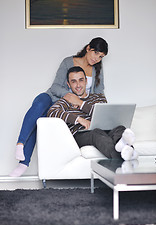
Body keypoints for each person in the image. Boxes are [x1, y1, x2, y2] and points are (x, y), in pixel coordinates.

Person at [10, 37, 108, 177]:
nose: (97, 59)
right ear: (88, 48)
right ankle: (20, 144)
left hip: (68, 107)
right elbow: (55, 86)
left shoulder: (97, 68)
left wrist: (100, 109)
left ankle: (23, 163)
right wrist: (69, 96)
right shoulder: (68, 62)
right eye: (95, 53)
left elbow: (99, 92)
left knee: (40, 122)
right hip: (53, 98)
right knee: (38, 105)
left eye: (101, 56)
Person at [47, 66, 138, 161]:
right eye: (73, 81)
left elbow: (105, 116)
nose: (78, 85)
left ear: (86, 81)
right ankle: (124, 159)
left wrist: (81, 103)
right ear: (68, 84)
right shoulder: (66, 100)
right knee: (95, 132)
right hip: (81, 134)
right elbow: (52, 112)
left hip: (105, 132)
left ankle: (125, 148)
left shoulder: (99, 98)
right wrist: (79, 120)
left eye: (81, 80)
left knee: (120, 128)